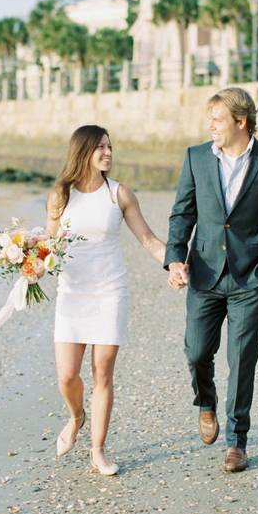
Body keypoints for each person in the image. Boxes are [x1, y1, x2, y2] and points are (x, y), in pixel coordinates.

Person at [165, 87, 258, 473]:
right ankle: (205, 403)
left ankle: (236, 441)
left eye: (217, 120)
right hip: (204, 273)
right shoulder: (195, 158)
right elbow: (181, 216)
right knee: (195, 352)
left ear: (241, 122)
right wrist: (175, 259)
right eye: (209, 120)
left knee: (241, 360)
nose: (211, 126)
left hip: (250, 279)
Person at [46, 124, 166, 476]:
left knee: (102, 374)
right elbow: (48, 247)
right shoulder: (60, 195)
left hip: (110, 291)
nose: (108, 153)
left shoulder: (119, 194)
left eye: (110, 147)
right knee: (67, 376)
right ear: (82, 151)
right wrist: (29, 266)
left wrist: (173, 264)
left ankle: (98, 450)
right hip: (72, 292)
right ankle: (76, 416)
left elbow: (147, 238)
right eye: (100, 147)